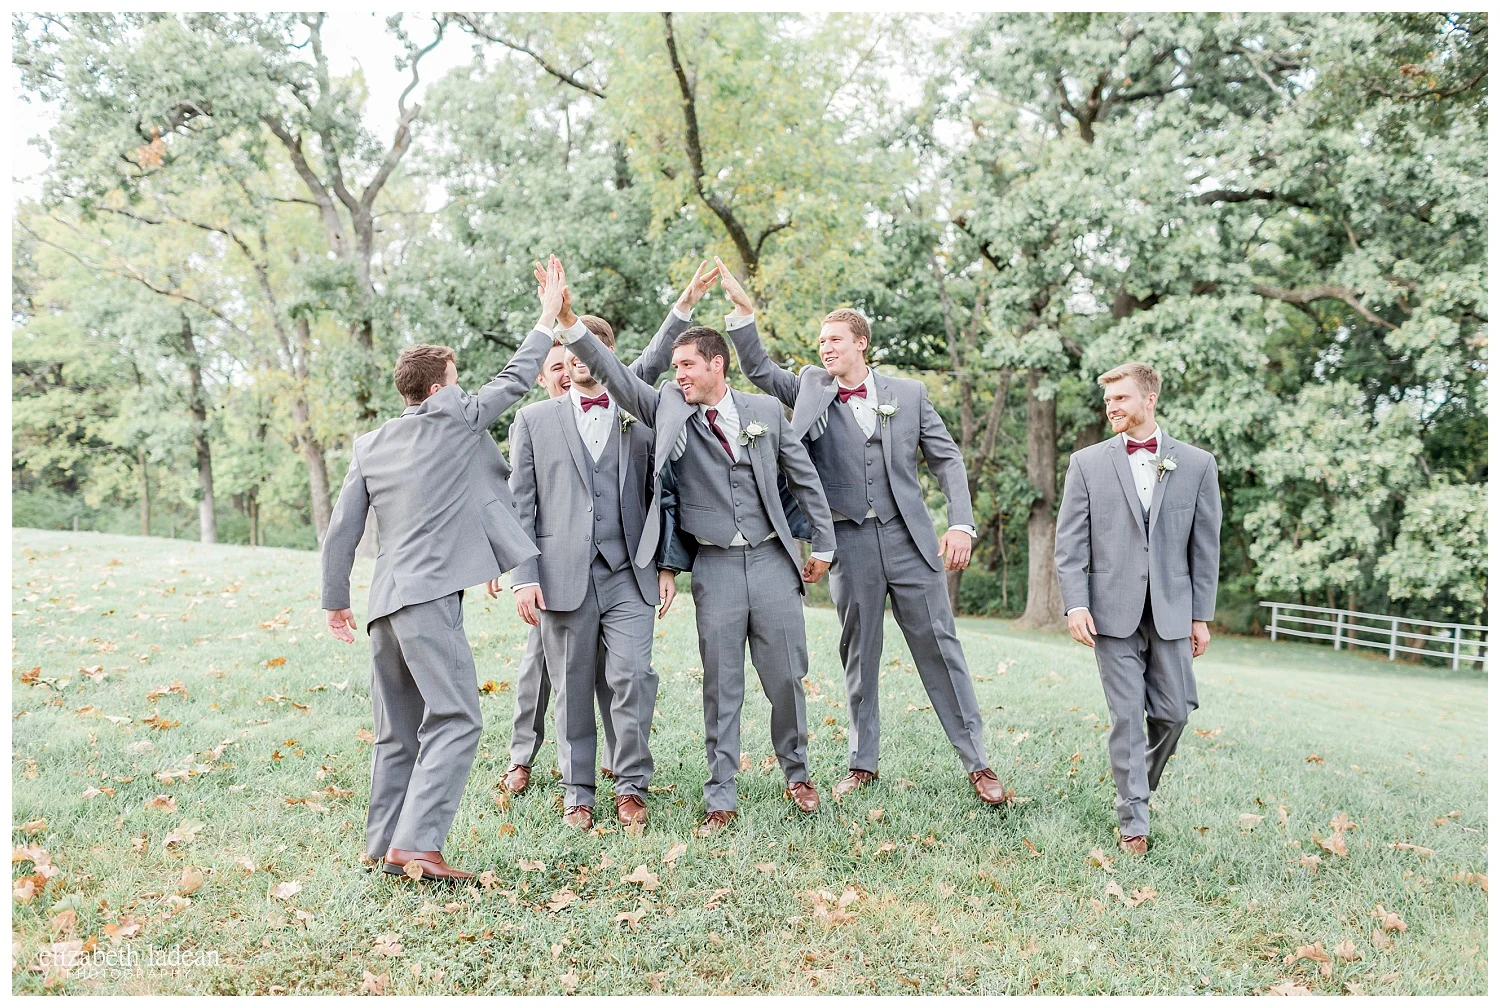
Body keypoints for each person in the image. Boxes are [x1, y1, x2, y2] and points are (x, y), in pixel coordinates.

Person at [719, 262, 1005, 805]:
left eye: (834, 340)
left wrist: (960, 523)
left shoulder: (910, 394)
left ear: (861, 343)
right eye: (821, 341)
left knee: (941, 649)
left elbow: (947, 460)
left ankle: (978, 763)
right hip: (848, 544)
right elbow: (757, 368)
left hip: (911, 541)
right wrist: (743, 313)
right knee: (860, 654)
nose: (824, 348)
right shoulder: (810, 387)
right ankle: (862, 763)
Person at [320, 259, 565, 883]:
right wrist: (546, 317)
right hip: (428, 601)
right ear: (436, 391)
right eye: (456, 382)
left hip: (383, 606)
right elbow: (516, 379)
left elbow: (343, 530)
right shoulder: (454, 419)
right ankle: (417, 847)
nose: (464, 392)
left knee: (398, 732)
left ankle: (382, 846)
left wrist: (335, 599)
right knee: (457, 717)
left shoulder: (371, 445)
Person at [560, 311, 836, 835]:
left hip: (773, 560)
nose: (678, 374)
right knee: (721, 685)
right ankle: (720, 796)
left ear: (716, 365)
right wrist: (572, 326)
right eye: (675, 366)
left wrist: (823, 542)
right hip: (714, 565)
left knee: (786, 677)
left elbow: (803, 476)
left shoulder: (763, 411)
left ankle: (797, 774)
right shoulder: (667, 405)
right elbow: (617, 376)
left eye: (687, 365)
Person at [499, 262, 721, 795]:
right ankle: (559, 780)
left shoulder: (634, 408)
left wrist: (685, 303)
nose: (575, 361)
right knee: (556, 678)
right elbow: (520, 503)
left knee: (632, 676)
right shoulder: (534, 421)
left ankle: (630, 783)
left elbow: (665, 491)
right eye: (567, 353)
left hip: (627, 570)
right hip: (560, 571)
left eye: (589, 352)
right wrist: (523, 575)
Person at [1055, 361, 1221, 856]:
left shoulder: (1197, 464)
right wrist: (1075, 604)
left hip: (1172, 610)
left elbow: (1205, 547)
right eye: (1108, 400)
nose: (1112, 407)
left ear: (1150, 400)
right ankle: (1134, 821)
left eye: (1121, 398)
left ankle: (1136, 786)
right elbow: (1070, 543)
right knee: (1127, 717)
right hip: (1111, 612)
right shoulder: (1086, 463)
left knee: (1175, 714)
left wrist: (1200, 616)